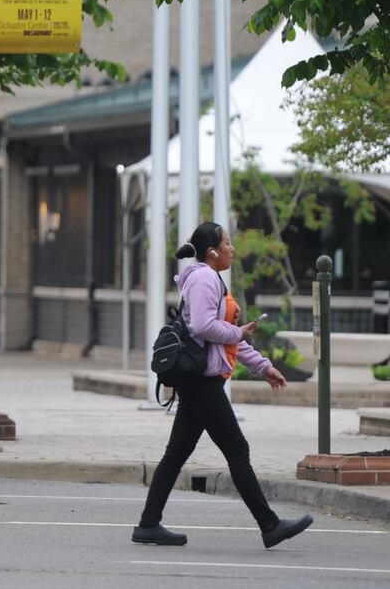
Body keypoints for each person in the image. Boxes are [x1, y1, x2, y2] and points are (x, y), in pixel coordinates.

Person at [133, 222, 314, 549]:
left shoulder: (209, 278)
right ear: (212, 251)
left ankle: (148, 524)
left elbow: (226, 338)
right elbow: (205, 327)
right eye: (228, 243)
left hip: (200, 379)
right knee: (236, 450)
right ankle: (270, 525)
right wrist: (240, 333)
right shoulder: (204, 278)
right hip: (202, 382)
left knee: (176, 454)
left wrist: (263, 366)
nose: (232, 249)